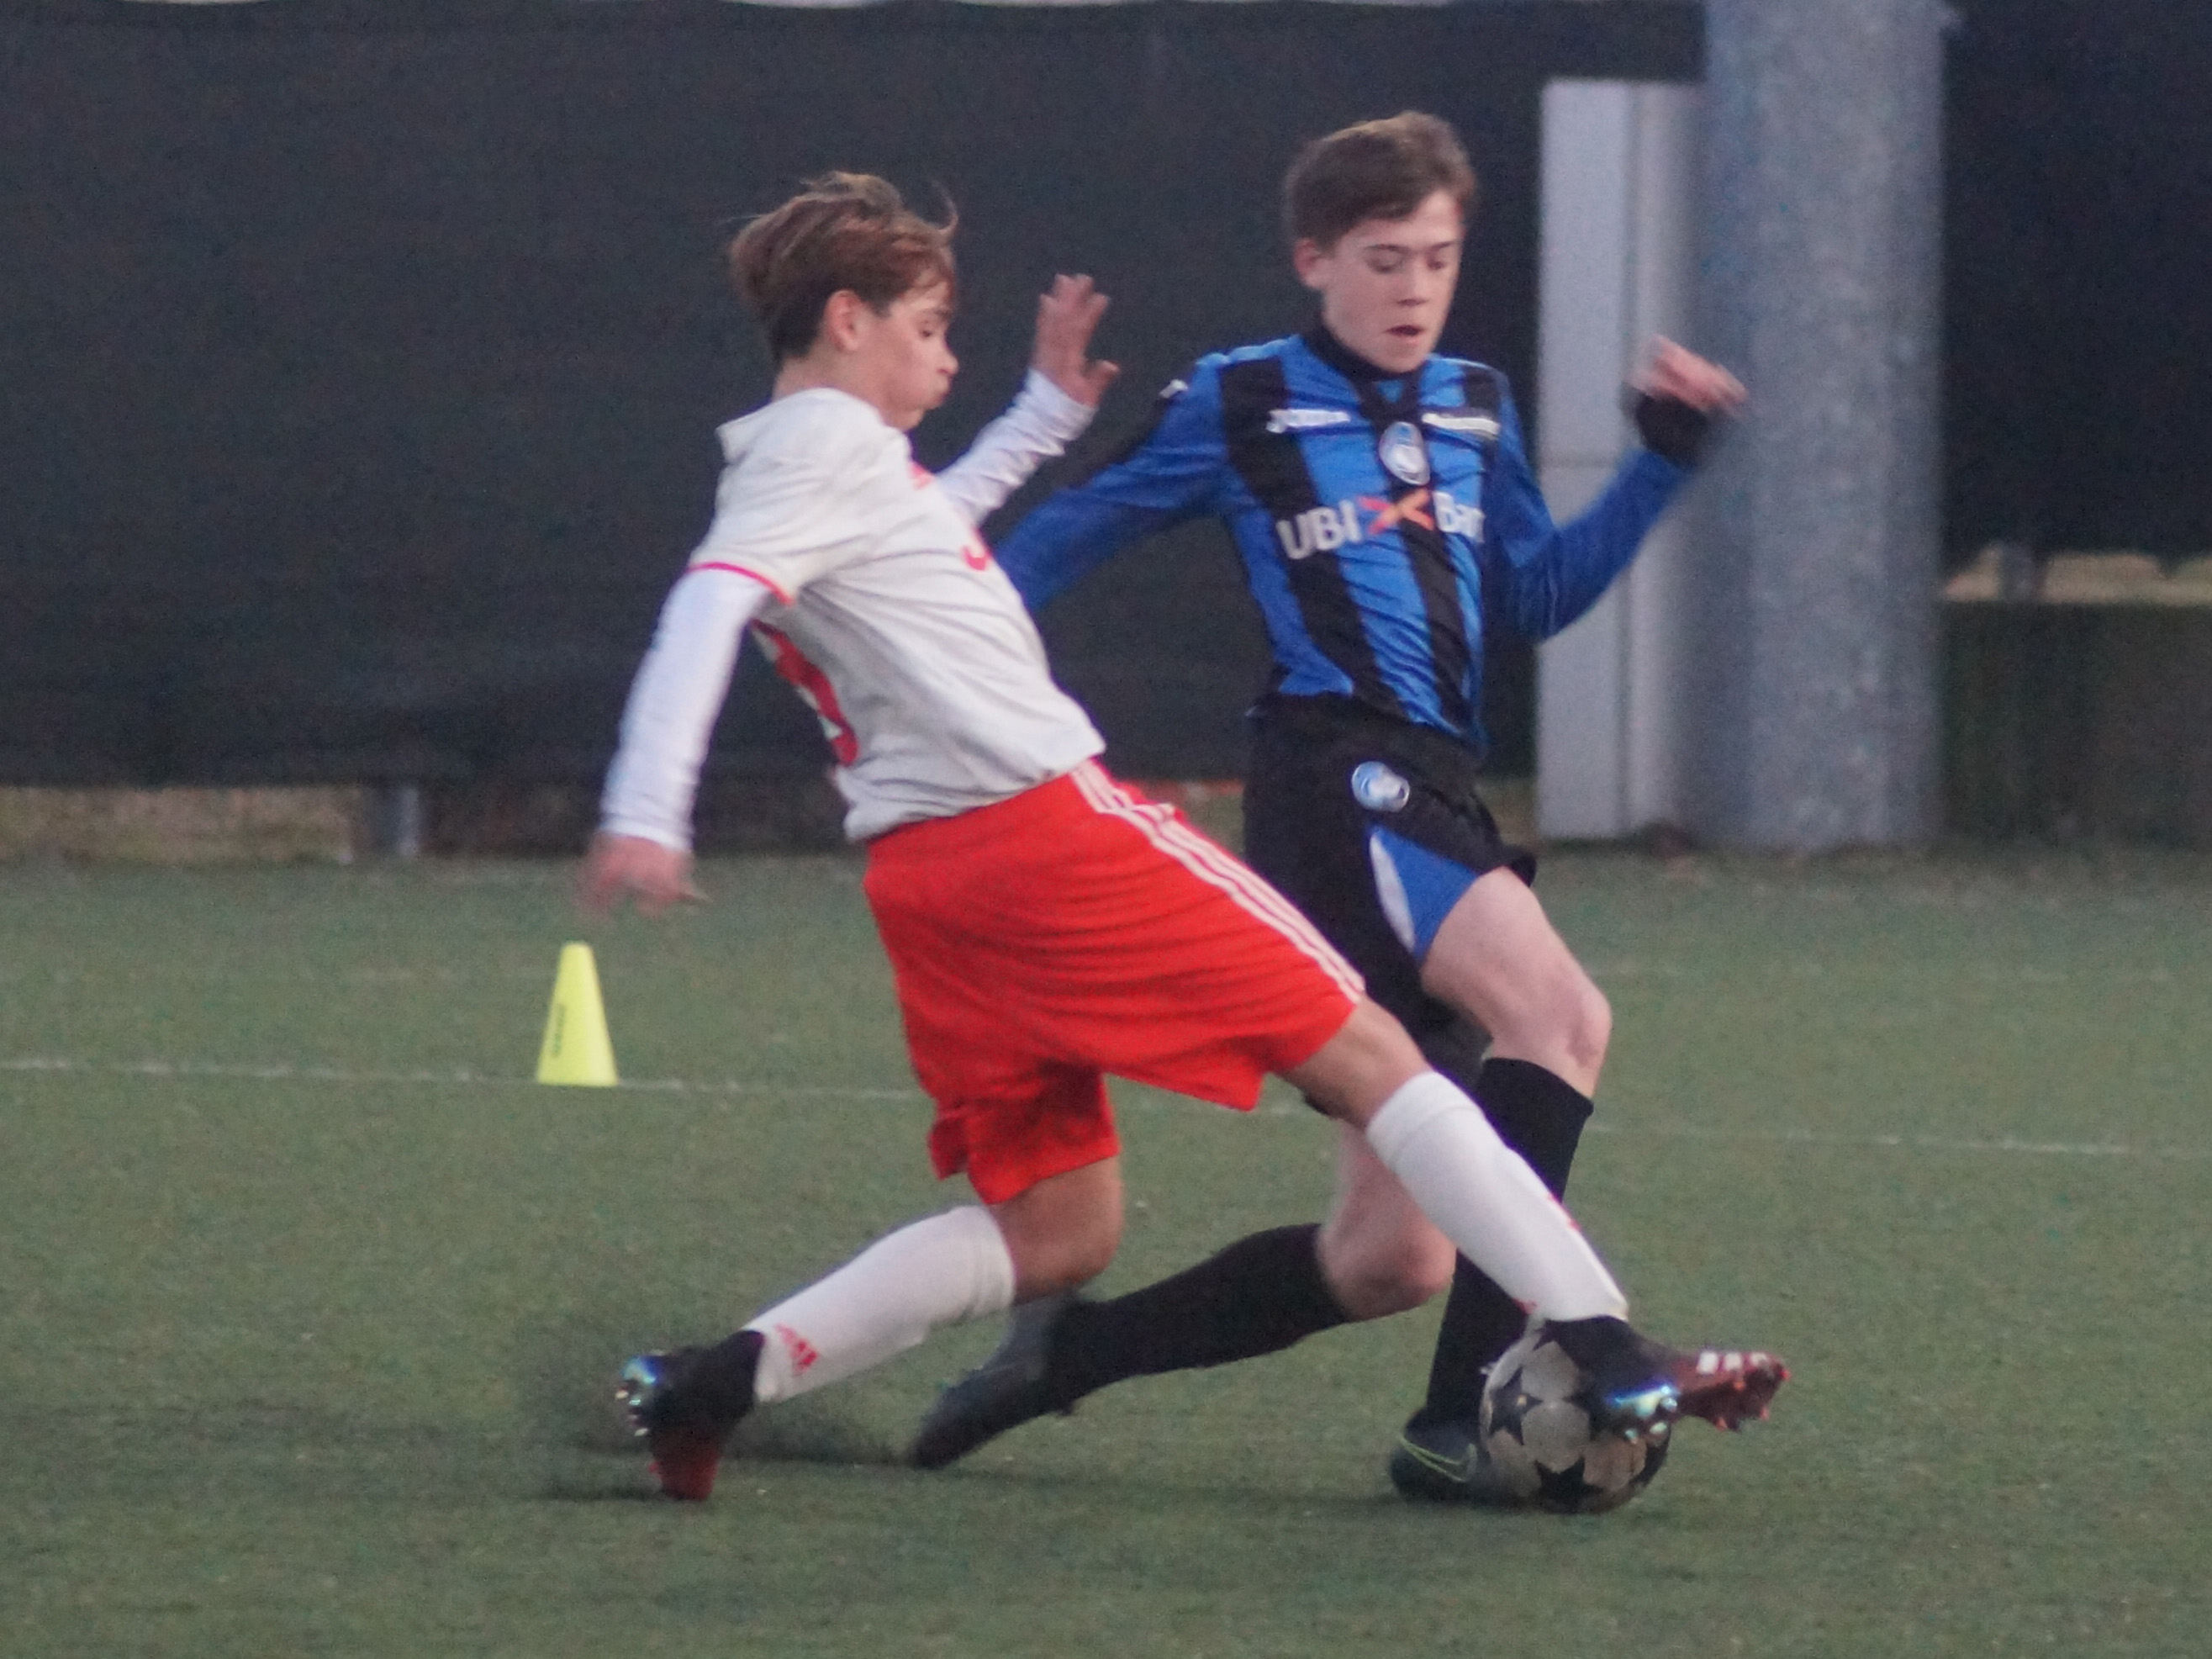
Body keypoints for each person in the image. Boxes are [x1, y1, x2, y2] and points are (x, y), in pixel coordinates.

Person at [580, 171, 1778, 1503]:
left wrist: (1039, 417)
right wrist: (646, 805)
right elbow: (708, 601)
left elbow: (924, 536)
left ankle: (717, 1380)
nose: (947, 357)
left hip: (932, 881)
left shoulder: (819, 462)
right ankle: (1603, 1337)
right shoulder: (825, 451)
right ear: (848, 321)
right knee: (1384, 1055)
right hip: (1055, 833)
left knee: (1060, 1230)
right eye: (929, 329)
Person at [911, 114, 1772, 1503]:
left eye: (1437, 257)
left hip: (1432, 788)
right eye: (1383, 259)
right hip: (1336, 784)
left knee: (1391, 1258)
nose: (1414, 287)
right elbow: (1062, 540)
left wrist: (1662, 459)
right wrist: (948, 675)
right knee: (1558, 1014)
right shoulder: (1243, 397)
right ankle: (1463, 1418)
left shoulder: (1475, 402)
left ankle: (1070, 1354)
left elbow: (1535, 596)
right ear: (1314, 260)